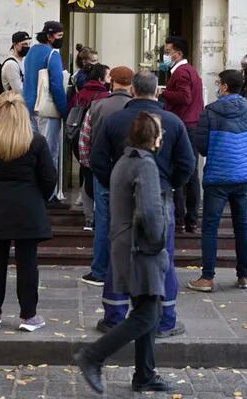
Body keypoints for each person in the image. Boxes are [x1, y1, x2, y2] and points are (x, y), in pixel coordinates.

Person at [75, 112, 173, 395]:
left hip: (126, 245)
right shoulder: (145, 165)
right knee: (148, 315)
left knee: (147, 308)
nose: (162, 137)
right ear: (152, 137)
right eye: (160, 133)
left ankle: (145, 375)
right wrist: (158, 242)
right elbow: (151, 212)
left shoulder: (124, 161)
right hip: (141, 249)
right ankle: (93, 356)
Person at [91, 71, 195, 338]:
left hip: (123, 199)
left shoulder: (115, 120)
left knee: (119, 254)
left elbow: (98, 159)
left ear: (133, 90)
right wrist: (169, 183)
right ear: (157, 92)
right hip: (160, 196)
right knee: (163, 257)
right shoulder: (172, 121)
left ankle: (114, 319)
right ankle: (165, 320)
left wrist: (115, 181)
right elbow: (187, 164)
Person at [0, 92, 57, 332]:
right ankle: (28, 316)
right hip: (28, 206)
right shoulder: (36, 142)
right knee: (28, 263)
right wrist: (40, 197)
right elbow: (49, 178)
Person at [187, 69, 247, 293]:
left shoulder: (210, 112)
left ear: (224, 86)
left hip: (217, 178)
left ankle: (208, 277)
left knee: (210, 227)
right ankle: (244, 275)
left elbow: (201, 147)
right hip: (244, 177)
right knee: (242, 226)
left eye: (219, 83)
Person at [78, 66, 134, 286]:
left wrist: (89, 166)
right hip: (131, 172)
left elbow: (85, 139)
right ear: (131, 83)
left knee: (103, 222)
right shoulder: (135, 107)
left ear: (111, 82)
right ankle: (127, 270)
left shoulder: (98, 105)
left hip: (104, 173)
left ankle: (100, 270)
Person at [160, 35, 204, 234]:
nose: (165, 55)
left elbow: (184, 97)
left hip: (183, 125)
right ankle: (191, 219)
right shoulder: (190, 71)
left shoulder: (182, 72)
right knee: (191, 172)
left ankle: (180, 218)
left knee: (178, 171)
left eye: (167, 52)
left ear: (177, 53)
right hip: (191, 124)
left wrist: (162, 93)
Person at [22, 21, 69, 203]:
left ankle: (32, 190)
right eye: (59, 36)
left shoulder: (32, 52)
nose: (60, 40)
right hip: (47, 110)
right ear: (50, 36)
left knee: (31, 150)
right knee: (50, 152)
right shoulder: (52, 54)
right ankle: (49, 194)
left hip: (29, 107)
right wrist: (64, 110)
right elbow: (57, 86)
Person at [68, 63, 111, 231]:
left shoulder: (80, 92)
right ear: (101, 79)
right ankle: (97, 216)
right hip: (97, 141)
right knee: (99, 180)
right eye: (108, 77)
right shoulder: (104, 96)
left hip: (78, 138)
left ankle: (88, 218)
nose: (109, 80)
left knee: (87, 177)